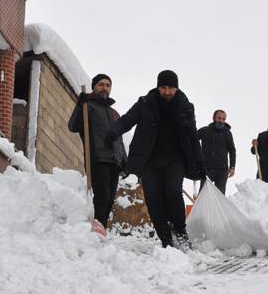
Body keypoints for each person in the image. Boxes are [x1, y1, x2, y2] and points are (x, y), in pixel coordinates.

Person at [107, 70, 205, 248]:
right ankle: (165, 238)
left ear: (177, 88)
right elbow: (128, 120)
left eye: (171, 88)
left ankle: (180, 232)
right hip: (149, 160)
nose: (167, 92)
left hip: (175, 159)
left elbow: (192, 137)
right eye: (164, 87)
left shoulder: (185, 106)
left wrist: (200, 164)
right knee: (153, 198)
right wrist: (113, 131)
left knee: (173, 193)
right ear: (158, 87)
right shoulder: (145, 103)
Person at [67, 73, 127, 235]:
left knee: (109, 200)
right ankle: (98, 228)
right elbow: (73, 126)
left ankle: (101, 229)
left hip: (114, 161)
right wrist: (80, 106)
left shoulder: (114, 113)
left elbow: (119, 140)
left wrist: (124, 160)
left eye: (108, 85)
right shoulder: (88, 106)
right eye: (101, 84)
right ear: (94, 86)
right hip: (98, 158)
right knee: (102, 196)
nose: (105, 88)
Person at [197, 109, 236, 194]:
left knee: (220, 196)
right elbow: (193, 141)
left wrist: (232, 167)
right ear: (213, 118)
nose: (221, 121)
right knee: (203, 195)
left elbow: (232, 150)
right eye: (219, 118)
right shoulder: (204, 130)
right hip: (207, 169)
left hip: (222, 170)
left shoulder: (227, 133)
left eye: (223, 119)